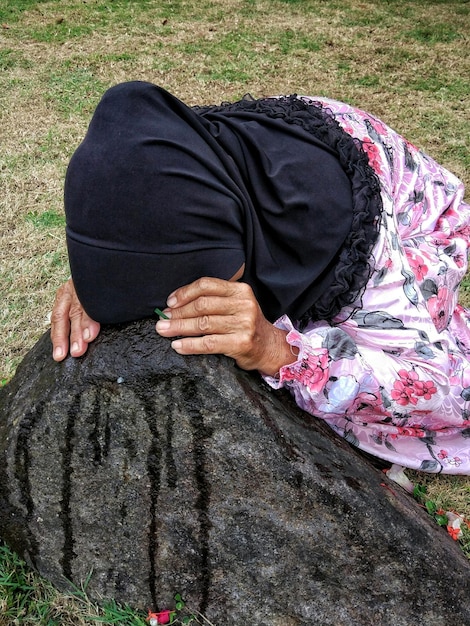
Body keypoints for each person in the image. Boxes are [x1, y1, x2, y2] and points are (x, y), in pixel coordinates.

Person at [51, 80, 470, 475]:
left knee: (347, 407)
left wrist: (280, 352)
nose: (171, 307)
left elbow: (437, 388)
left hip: (421, 229)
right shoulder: (170, 155)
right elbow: (125, 202)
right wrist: (99, 270)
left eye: (184, 288)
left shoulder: (344, 236)